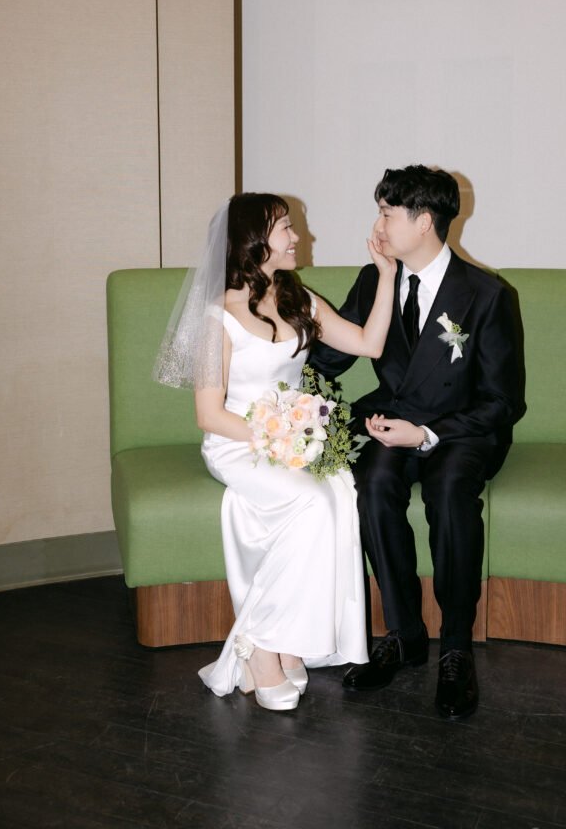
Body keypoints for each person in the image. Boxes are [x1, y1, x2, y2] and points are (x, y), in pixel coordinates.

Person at [154, 192, 396, 712]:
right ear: (253, 241)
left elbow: (369, 343)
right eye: (285, 227)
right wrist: (279, 438)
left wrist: (386, 274)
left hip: (290, 441)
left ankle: (286, 643)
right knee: (312, 502)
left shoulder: (297, 299)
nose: (296, 236)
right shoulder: (217, 315)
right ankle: (262, 647)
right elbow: (208, 415)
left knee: (337, 495)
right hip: (236, 442)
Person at [310, 165, 519, 719]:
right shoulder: (376, 276)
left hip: (463, 429)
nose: (376, 223)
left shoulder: (487, 295)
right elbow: (328, 358)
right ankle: (403, 635)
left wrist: (428, 433)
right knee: (372, 482)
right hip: (392, 418)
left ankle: (455, 648)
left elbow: (503, 402)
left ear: (423, 222)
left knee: (450, 496)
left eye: (386, 213)